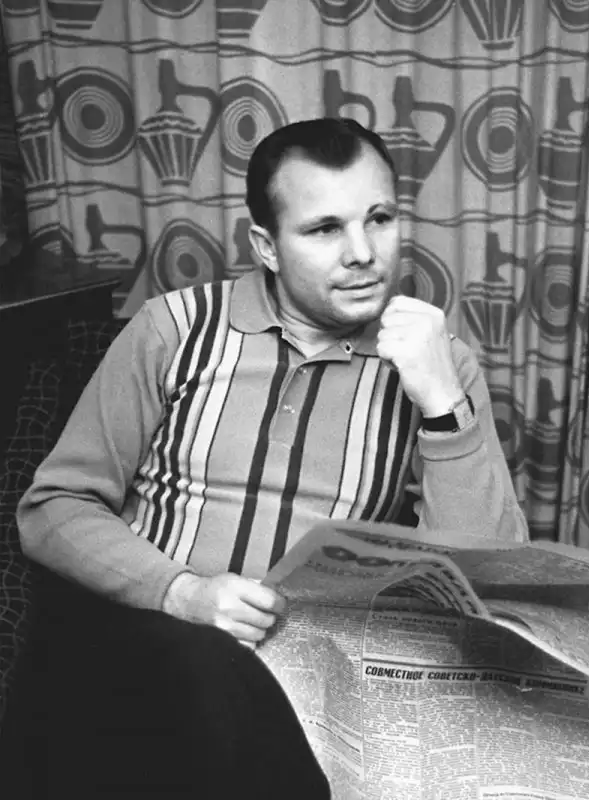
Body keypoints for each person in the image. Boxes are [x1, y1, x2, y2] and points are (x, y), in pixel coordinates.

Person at [17, 117, 528, 798]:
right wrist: (184, 593)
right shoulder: (175, 328)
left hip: (313, 678)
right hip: (148, 639)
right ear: (266, 246)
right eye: (324, 229)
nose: (362, 253)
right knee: (192, 675)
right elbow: (53, 509)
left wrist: (440, 401)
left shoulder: (437, 360)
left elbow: (490, 583)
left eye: (379, 219)